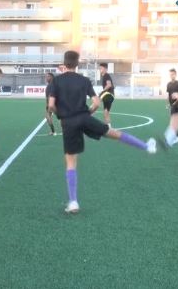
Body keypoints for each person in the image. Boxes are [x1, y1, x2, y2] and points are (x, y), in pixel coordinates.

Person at [49, 51, 156, 214]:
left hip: (68, 122)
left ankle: (73, 202)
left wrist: (60, 115)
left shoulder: (55, 81)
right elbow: (96, 102)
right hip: (84, 117)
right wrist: (89, 113)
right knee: (114, 133)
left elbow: (51, 105)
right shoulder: (84, 80)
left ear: (64, 63)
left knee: (71, 163)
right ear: (77, 64)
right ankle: (146, 146)